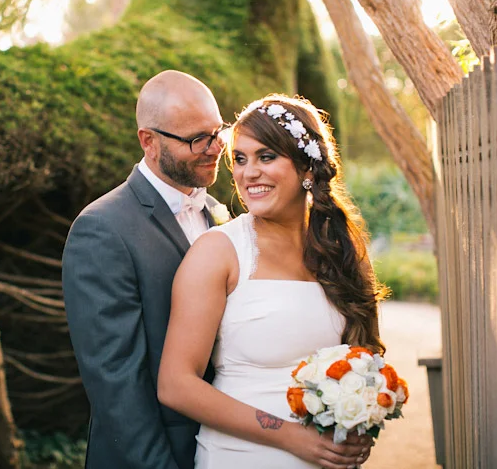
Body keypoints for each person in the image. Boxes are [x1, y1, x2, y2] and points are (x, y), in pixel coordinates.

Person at [158, 95, 385, 469]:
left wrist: (359, 423)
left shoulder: (340, 249)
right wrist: (293, 438)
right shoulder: (218, 252)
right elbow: (175, 384)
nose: (249, 173)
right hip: (242, 458)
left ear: (307, 168)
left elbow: (364, 356)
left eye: (266, 157)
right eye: (241, 160)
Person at [62, 70, 230, 469]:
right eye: (196, 139)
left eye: (218, 131)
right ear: (148, 142)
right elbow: (117, 383)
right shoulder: (102, 229)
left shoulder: (221, 214)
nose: (215, 147)